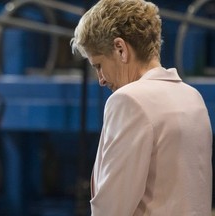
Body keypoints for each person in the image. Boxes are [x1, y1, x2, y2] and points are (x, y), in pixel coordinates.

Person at [70, 0, 213, 215]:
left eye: (98, 65)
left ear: (120, 49)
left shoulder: (129, 100)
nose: (100, 79)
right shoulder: (193, 98)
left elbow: (112, 208)